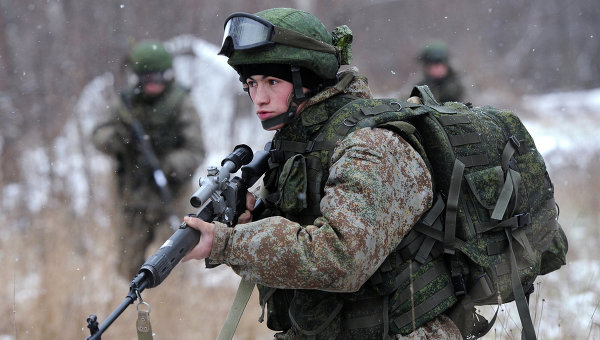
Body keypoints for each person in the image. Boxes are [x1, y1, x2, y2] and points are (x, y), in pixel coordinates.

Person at [182, 8, 462, 339]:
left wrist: (227, 244)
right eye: (252, 83)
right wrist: (255, 216)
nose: (259, 97)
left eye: (273, 81)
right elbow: (311, 222)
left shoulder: (371, 144)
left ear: (309, 81)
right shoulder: (304, 139)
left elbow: (341, 256)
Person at [92, 40, 205, 279]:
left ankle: (171, 309)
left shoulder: (180, 103)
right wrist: (122, 139)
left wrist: (167, 166)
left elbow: (195, 150)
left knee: (174, 263)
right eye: (146, 79)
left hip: (171, 196)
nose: (152, 85)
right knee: (127, 266)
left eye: (158, 78)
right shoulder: (126, 104)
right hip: (133, 197)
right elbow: (99, 136)